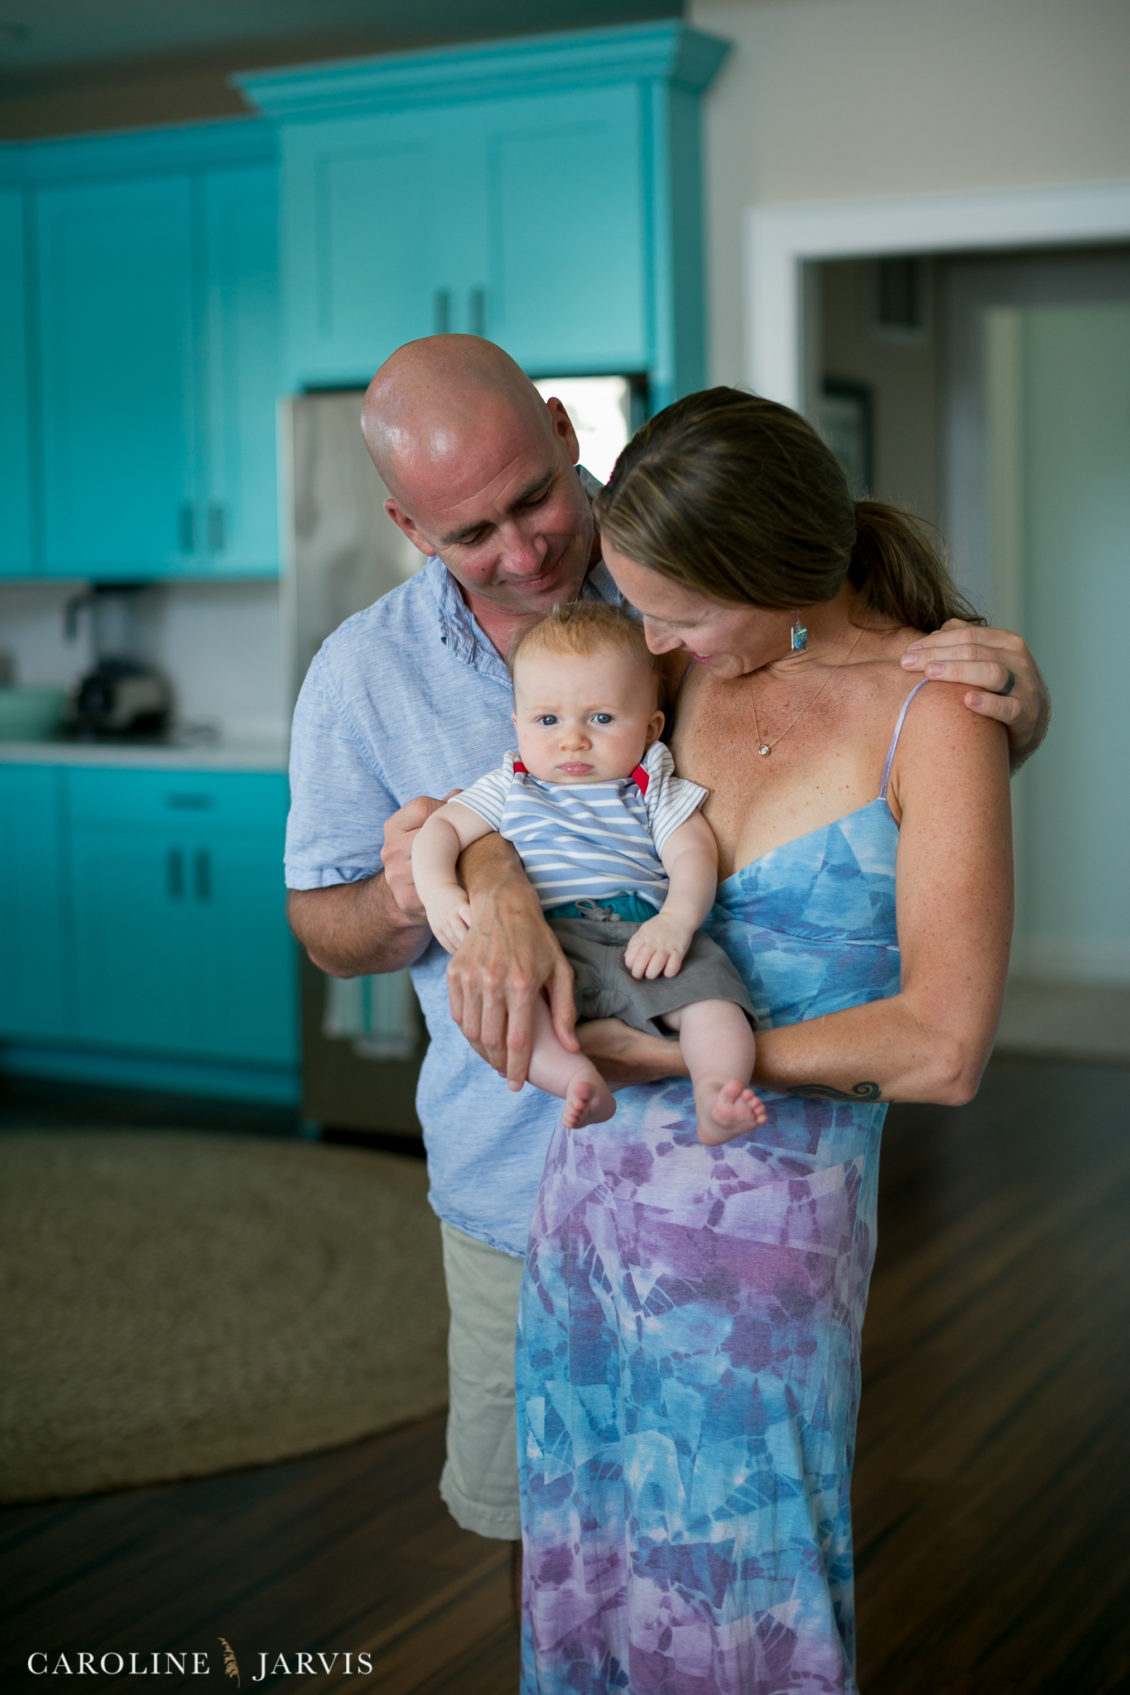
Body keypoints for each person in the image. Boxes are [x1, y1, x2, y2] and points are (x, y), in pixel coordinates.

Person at [283, 335, 1047, 1564]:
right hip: (511, 1174)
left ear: (561, 432)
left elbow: (844, 731)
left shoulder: (676, 612)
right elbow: (391, 887)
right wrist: (460, 880)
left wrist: (1010, 706)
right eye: (470, 533)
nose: (523, 552)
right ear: (407, 528)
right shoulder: (368, 674)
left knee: (724, 1559)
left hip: (723, 1182)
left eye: (533, 500)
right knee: (556, 1542)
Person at [508, 387, 1014, 1692]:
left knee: (739, 1574)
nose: (651, 634)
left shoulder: (934, 712)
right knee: (591, 1541)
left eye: (677, 608)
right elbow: (523, 813)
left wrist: (677, 1060)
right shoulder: (671, 676)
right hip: (589, 1200)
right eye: (641, 604)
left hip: (756, 1244)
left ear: (778, 569)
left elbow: (942, 1044)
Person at [411, 602, 765, 1139]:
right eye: (547, 720)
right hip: (547, 940)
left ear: (650, 727)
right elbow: (440, 829)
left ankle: (718, 1092)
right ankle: (576, 1080)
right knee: (513, 1010)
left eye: (601, 718)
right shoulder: (513, 783)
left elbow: (692, 854)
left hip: (643, 933)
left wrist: (677, 920)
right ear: (518, 724)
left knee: (714, 999)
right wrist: (439, 892)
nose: (572, 739)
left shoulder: (650, 786)